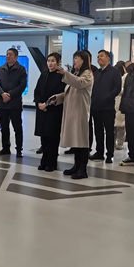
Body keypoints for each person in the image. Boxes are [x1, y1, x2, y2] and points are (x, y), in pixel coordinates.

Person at [48, 50, 94, 179]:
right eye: (74, 58)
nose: (74, 61)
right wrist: (58, 97)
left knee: (81, 141)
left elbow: (79, 83)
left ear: (83, 60)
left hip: (80, 112)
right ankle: (76, 166)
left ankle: (83, 169)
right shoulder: (76, 74)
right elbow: (69, 91)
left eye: (77, 58)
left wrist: (65, 73)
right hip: (72, 112)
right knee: (76, 140)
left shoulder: (88, 74)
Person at [34, 53, 66, 171]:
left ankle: (52, 162)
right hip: (42, 110)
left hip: (54, 110)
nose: (50, 63)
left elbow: (60, 94)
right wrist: (39, 103)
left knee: (52, 137)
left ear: (58, 62)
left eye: (53, 61)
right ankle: (44, 160)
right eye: (49, 61)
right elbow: (37, 91)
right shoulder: (44, 74)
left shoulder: (61, 76)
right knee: (44, 137)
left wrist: (47, 104)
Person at [89, 50, 121, 163]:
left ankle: (109, 154)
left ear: (108, 58)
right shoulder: (96, 72)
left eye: (101, 56)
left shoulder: (114, 71)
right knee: (98, 131)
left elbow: (117, 88)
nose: (99, 58)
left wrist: (108, 97)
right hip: (96, 107)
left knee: (109, 131)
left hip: (107, 107)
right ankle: (99, 152)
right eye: (98, 57)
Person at [0, 48, 27, 157]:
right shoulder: (1, 69)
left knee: (17, 127)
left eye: (10, 54)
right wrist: (2, 94)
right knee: (4, 128)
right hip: (3, 103)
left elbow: (22, 86)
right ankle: (5, 148)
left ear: (16, 57)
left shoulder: (21, 70)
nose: (7, 56)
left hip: (15, 104)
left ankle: (19, 150)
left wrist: (10, 94)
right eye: (7, 54)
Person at [113, 61, 127, 150]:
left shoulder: (125, 77)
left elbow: (125, 90)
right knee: (115, 126)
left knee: (120, 126)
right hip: (116, 103)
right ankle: (115, 143)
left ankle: (120, 143)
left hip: (121, 103)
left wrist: (118, 90)